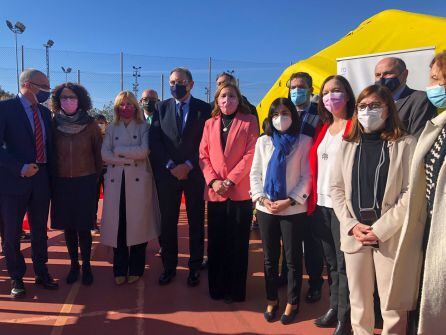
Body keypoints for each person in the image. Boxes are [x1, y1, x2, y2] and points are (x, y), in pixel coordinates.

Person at [331, 84, 416, 334]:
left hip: (389, 235)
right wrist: (351, 225)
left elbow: (410, 192)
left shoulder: (406, 143)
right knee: (359, 303)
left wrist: (380, 229)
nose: (369, 111)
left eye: (375, 105)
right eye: (363, 106)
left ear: (388, 109)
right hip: (355, 235)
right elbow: (336, 189)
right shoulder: (347, 144)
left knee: (392, 305)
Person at [386, 51, 446, 335]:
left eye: (437, 79)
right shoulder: (439, 126)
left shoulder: (423, 108)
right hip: (430, 226)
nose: (432, 86)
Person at [250, 97, 312, 324]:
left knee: (293, 259)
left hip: (292, 209)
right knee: (269, 258)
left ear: (292, 116)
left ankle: (292, 302)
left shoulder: (304, 141)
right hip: (266, 208)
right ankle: (272, 299)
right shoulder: (263, 141)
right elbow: (255, 172)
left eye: (285, 113)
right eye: (275, 114)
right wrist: (262, 199)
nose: (280, 118)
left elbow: (307, 175)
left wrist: (290, 200)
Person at [150, 67, 211, 287]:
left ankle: (194, 267)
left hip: (194, 174)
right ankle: (169, 267)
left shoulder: (205, 109)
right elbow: (155, 140)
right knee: (168, 223)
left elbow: (207, 142)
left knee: (196, 222)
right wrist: (170, 165)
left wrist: (188, 164)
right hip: (168, 176)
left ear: (191, 84)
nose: (176, 86)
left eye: (181, 82)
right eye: (172, 82)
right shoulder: (161, 107)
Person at [0, 69, 58, 298]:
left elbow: (49, 146)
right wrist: (19, 167)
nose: (47, 90)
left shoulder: (44, 113)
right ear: (28, 84)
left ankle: (42, 272)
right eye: (43, 86)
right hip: (14, 182)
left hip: (41, 180)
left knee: (40, 231)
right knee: (12, 233)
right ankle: (17, 277)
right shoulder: (5, 109)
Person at [199, 83, 258, 303]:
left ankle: (235, 290)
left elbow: (251, 154)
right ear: (217, 100)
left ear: (239, 98)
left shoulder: (249, 121)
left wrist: (230, 180)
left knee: (238, 243)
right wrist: (214, 181)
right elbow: (203, 155)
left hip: (239, 192)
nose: (227, 100)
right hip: (215, 192)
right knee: (216, 242)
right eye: (223, 96)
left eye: (231, 96)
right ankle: (217, 287)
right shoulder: (209, 124)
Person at [308, 75, 355, 335]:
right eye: (326, 92)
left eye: (336, 91)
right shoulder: (323, 128)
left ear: (347, 95)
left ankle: (345, 317)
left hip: (343, 207)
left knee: (344, 262)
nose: (330, 96)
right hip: (321, 204)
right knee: (331, 262)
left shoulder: (355, 125)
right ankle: (334, 307)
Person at [101, 91, 160, 285]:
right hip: (115, 182)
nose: (125, 107)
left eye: (129, 104)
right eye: (121, 104)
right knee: (118, 225)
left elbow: (144, 152)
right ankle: (119, 269)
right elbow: (104, 155)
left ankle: (136, 268)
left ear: (135, 106)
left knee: (138, 225)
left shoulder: (144, 126)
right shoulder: (112, 127)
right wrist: (127, 156)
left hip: (138, 183)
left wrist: (118, 152)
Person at [50, 82, 102, 285]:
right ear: (58, 100)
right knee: (68, 228)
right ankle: (74, 265)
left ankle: (87, 265)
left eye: (72, 97)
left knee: (84, 227)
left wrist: (93, 178)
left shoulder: (90, 124)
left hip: (86, 181)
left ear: (80, 100)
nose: (68, 101)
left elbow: (98, 155)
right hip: (61, 183)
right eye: (64, 97)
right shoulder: (53, 124)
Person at [283, 71, 324, 303]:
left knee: (311, 239)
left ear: (310, 89)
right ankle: (287, 278)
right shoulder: (285, 113)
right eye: (293, 87)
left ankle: (315, 283)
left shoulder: (320, 114)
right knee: (288, 239)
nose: (296, 90)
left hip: (311, 182)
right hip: (287, 185)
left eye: (301, 86)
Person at [374, 57, 437, 138]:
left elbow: (420, 139)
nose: (381, 78)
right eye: (377, 75)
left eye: (387, 73)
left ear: (404, 74)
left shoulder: (420, 100)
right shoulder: (370, 103)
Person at [93, 114, 108, 233]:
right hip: (94, 171)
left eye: (102, 123)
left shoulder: (110, 137)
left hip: (108, 171)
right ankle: (93, 223)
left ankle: (109, 222)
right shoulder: (91, 136)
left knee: (110, 197)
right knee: (94, 197)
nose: (100, 125)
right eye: (98, 123)